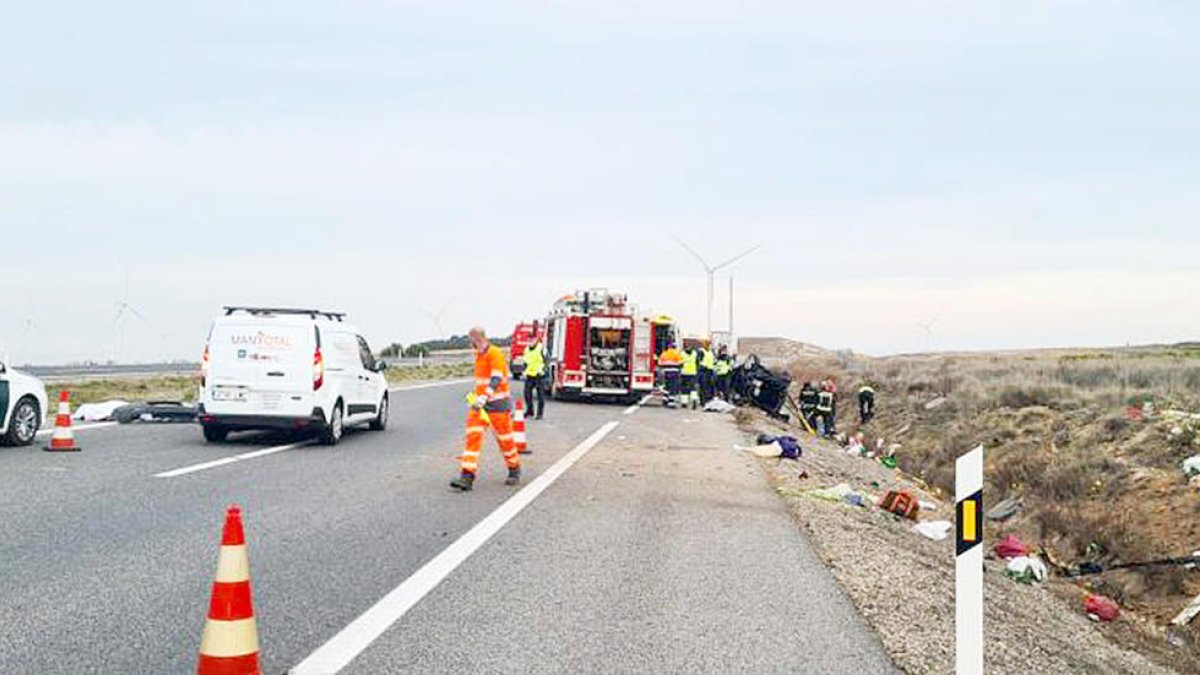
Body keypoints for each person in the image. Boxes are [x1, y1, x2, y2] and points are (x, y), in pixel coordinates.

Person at [450, 327, 521, 492]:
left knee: (505, 440)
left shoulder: (494, 353)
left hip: (498, 404)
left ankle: (514, 468)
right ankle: (467, 476)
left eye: (471, 340)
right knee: (472, 437)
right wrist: (478, 398)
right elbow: (483, 380)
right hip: (480, 406)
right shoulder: (479, 355)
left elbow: (497, 377)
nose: (470, 344)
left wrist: (485, 395)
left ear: (475, 338)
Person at [522, 334, 547, 420]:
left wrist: (543, 370)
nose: (530, 342)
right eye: (529, 340)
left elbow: (546, 360)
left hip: (539, 375)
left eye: (532, 340)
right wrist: (524, 370)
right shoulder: (526, 350)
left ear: (536, 340)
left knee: (540, 396)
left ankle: (539, 414)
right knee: (527, 394)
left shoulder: (541, 348)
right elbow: (525, 361)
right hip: (530, 375)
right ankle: (530, 411)